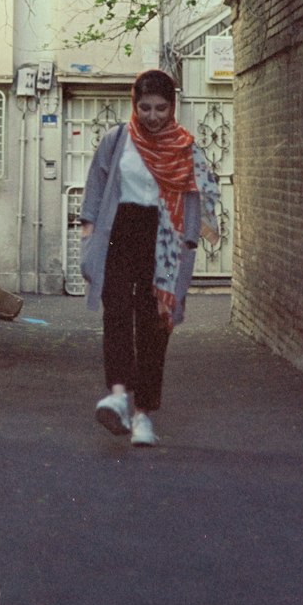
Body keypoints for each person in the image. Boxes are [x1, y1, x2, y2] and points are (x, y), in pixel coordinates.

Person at [79, 70, 219, 446]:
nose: (153, 115)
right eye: (145, 107)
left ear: (172, 107)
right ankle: (119, 395)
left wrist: (189, 243)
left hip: (164, 239)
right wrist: (88, 237)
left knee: (154, 324)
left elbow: (200, 197)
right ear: (134, 104)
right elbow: (95, 189)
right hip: (118, 234)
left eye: (161, 108)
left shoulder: (186, 148)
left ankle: (143, 415)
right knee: (118, 313)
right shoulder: (116, 141)